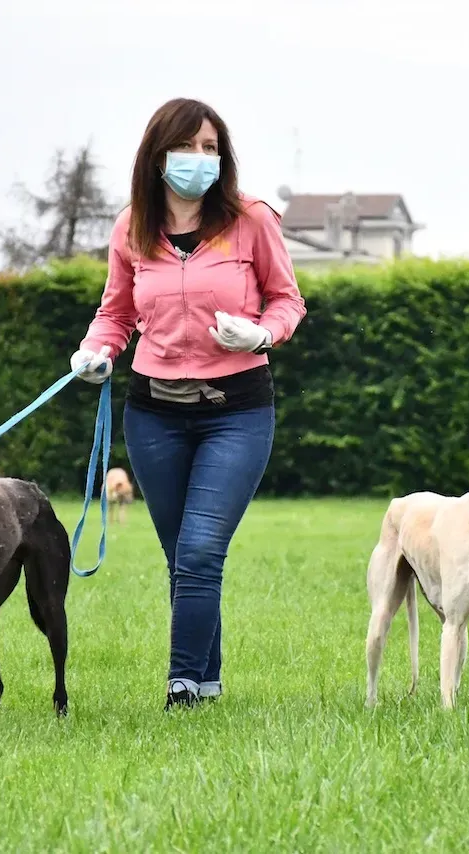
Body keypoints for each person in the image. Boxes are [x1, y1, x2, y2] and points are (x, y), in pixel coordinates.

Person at [71, 98, 306, 710]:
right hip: (153, 412)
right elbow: (116, 313)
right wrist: (95, 352)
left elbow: (288, 301)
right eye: (188, 147)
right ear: (157, 155)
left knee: (202, 549)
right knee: (184, 558)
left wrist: (262, 334)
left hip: (237, 409)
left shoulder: (252, 219)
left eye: (211, 148)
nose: (201, 159)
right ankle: (209, 682)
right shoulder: (131, 227)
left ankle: (181, 689)